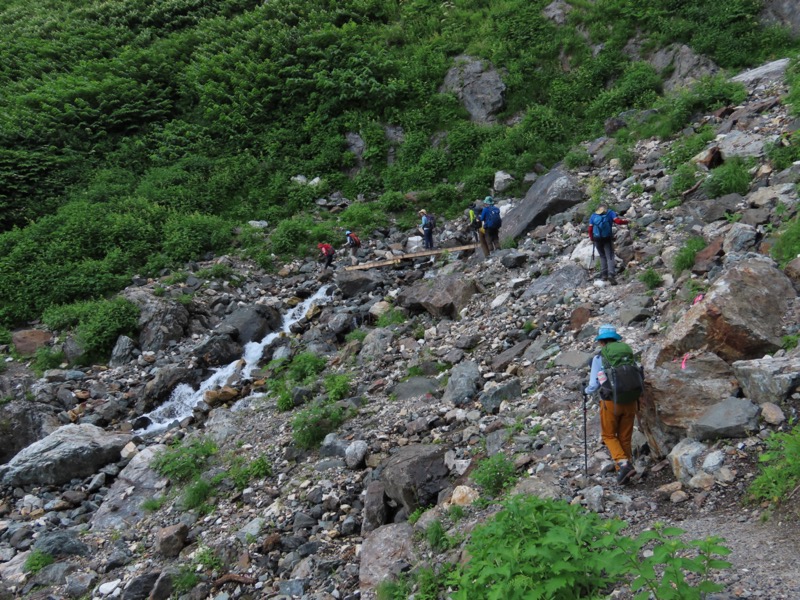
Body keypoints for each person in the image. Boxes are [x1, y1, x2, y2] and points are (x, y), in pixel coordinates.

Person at [584, 325, 640, 485]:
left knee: (608, 435)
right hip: (631, 400)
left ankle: (622, 463)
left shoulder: (599, 358)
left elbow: (594, 385)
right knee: (625, 438)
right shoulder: (627, 355)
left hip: (611, 402)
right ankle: (624, 472)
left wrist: (585, 390)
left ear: (601, 341)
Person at [588, 204, 629, 285]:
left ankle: (604, 275)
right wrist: (626, 221)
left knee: (602, 256)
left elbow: (590, 229)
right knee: (610, 256)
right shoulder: (610, 213)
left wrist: (592, 238)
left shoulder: (593, 215)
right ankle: (611, 274)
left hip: (597, 239)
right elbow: (618, 221)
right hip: (607, 238)